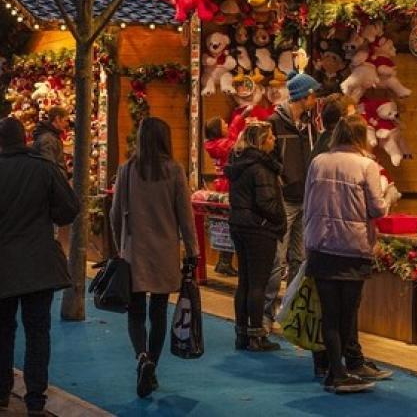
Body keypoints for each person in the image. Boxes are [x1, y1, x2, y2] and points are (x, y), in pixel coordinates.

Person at [109, 117, 199, 399]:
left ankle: (142, 358)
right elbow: (185, 216)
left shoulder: (127, 170)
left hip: (134, 251)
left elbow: (115, 213)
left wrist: (120, 246)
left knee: (135, 312)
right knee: (158, 313)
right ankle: (153, 367)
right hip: (165, 252)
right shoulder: (174, 171)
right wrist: (192, 251)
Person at [304, 114, 392, 393]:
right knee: (348, 313)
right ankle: (343, 371)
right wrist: (389, 196)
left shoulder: (318, 162)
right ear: (360, 137)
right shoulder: (367, 165)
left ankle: (334, 371)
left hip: (320, 244)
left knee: (329, 314)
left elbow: (308, 202)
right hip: (352, 247)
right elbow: (377, 209)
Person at [0, 117, 79, 416]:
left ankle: (1, 392)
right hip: (39, 265)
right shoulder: (43, 168)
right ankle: (35, 399)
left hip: (3, 266)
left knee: (3, 330)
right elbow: (69, 209)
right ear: (25, 139)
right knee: (37, 332)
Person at [264, 71, 320, 326]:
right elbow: (269, 158)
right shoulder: (275, 123)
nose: (315, 100)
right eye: (312, 95)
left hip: (305, 197)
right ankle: (266, 312)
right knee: (277, 258)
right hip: (285, 199)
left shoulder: (309, 125)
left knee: (299, 258)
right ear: (303, 96)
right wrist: (283, 179)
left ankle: (290, 313)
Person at [226, 121, 286, 353]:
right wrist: (279, 221)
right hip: (259, 229)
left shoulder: (238, 163)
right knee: (258, 284)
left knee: (245, 282)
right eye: (270, 137)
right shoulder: (262, 167)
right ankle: (256, 335)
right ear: (261, 141)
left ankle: (242, 333)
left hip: (239, 225)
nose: (274, 140)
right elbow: (266, 202)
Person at [204, 108, 252, 277]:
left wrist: (241, 117)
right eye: (224, 124)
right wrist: (244, 125)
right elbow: (235, 144)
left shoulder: (215, 144)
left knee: (224, 224)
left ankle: (223, 261)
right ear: (218, 130)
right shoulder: (223, 145)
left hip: (222, 185)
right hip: (228, 186)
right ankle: (224, 261)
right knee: (228, 224)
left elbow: (231, 134)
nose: (227, 125)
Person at [32, 106, 68, 172]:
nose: (66, 124)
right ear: (57, 119)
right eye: (65, 120)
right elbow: (48, 167)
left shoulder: (50, 136)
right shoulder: (48, 139)